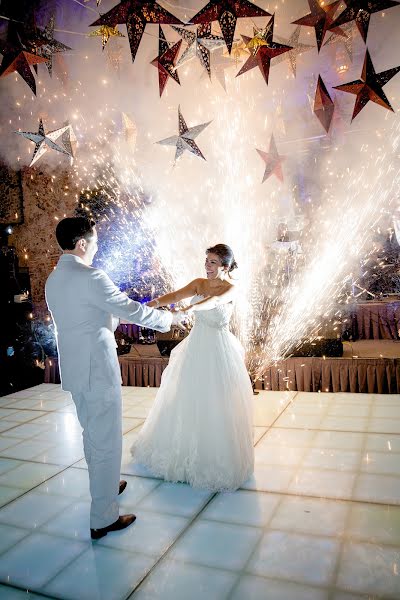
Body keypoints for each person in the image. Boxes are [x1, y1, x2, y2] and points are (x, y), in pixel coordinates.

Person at [45, 217, 185, 540]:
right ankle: (103, 518)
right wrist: (169, 319)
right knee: (106, 440)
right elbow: (129, 310)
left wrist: (115, 315)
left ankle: (106, 484)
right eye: (93, 242)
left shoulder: (54, 279)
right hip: (98, 370)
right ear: (81, 244)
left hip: (75, 370)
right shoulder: (92, 277)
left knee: (92, 434)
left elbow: (90, 316)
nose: (96, 248)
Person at [131, 244, 254, 491]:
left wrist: (191, 308)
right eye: (206, 261)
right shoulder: (198, 282)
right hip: (196, 346)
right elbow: (176, 295)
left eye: (212, 262)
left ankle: (214, 459)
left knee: (217, 401)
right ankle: (181, 453)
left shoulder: (231, 289)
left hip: (219, 350)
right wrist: (151, 304)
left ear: (225, 266)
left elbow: (214, 301)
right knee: (186, 396)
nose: (206, 266)